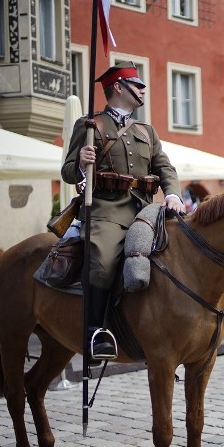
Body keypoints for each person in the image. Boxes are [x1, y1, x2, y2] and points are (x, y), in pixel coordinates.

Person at [62, 61, 186, 360]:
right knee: (103, 260)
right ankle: (95, 332)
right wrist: (81, 162)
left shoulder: (146, 130)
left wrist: (172, 193)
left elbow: (164, 166)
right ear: (119, 87)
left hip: (146, 209)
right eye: (137, 84)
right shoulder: (91, 125)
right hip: (106, 208)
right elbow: (67, 173)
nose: (143, 89)